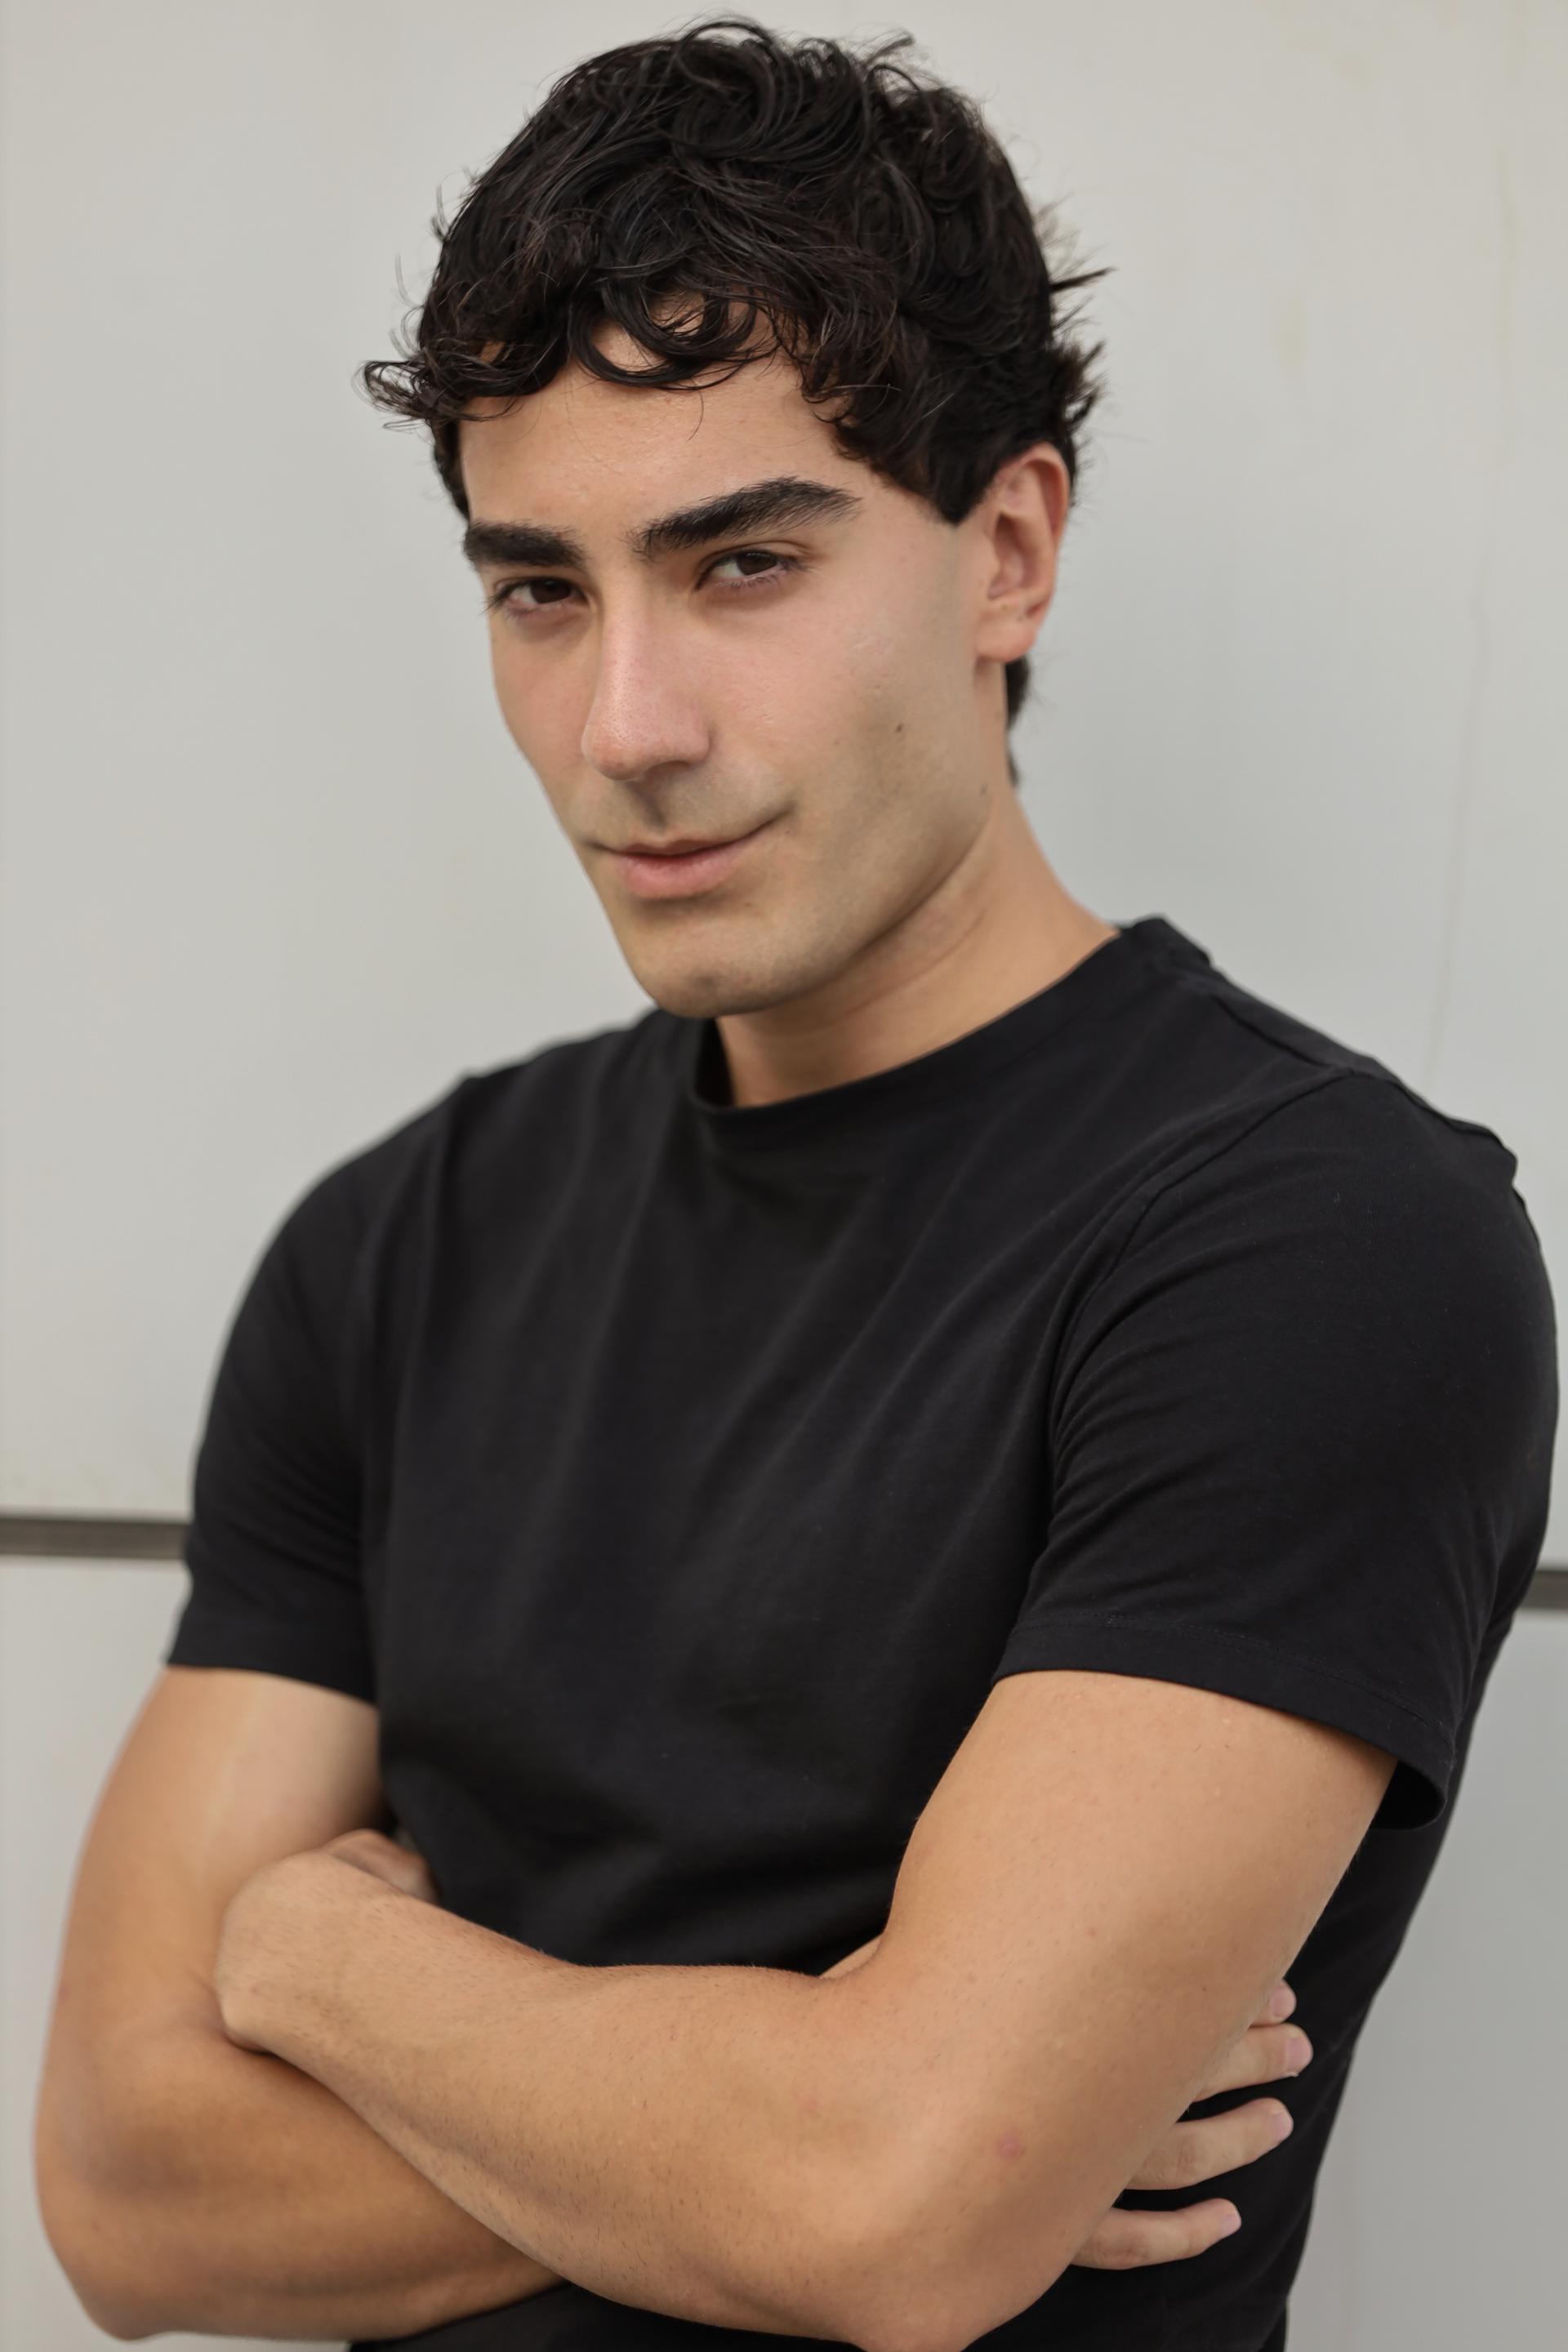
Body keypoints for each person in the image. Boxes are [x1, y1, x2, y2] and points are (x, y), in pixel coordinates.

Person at [36, 16, 1557, 2352]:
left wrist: (327, 1960)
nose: (626, 726)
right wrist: (811, 2123)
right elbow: (128, 2195)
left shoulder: (1313, 1246)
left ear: (1007, 552)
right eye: (540, 590)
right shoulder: (392, 1250)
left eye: (741, 563)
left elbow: (893, 2209)